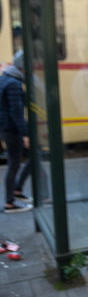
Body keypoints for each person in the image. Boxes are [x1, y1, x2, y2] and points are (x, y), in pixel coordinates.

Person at [1, 52, 32, 213]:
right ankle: (9, 203)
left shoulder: (5, 78)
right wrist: (25, 134)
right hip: (11, 129)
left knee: (19, 161)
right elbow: (16, 112)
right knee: (14, 163)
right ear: (22, 67)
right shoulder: (13, 83)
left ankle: (17, 191)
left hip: (6, 128)